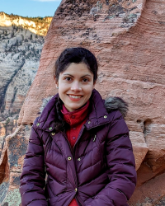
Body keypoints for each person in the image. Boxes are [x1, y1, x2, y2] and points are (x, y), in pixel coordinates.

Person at [20, 47, 137, 206]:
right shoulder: (42, 125)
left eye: (84, 80)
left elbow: (123, 177)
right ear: (56, 80)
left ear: (94, 82)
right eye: (68, 78)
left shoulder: (111, 121)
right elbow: (30, 180)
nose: (76, 88)